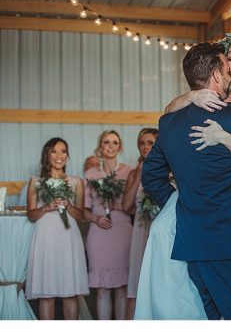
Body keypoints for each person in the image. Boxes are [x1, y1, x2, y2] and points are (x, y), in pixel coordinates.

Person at [135, 31, 231, 319]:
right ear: (220, 70)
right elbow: (168, 113)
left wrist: (224, 138)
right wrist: (191, 95)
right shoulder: (216, 99)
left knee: (221, 300)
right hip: (216, 209)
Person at [25, 138, 88, 320]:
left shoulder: (76, 182)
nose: (59, 156)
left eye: (63, 151)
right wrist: (46, 207)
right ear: (47, 154)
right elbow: (31, 215)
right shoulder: (36, 181)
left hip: (68, 237)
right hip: (45, 235)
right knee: (47, 293)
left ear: (68, 156)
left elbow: (81, 216)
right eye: (54, 151)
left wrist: (68, 206)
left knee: (69, 292)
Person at [83, 130, 133, 320]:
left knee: (121, 287)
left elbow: (137, 206)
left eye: (114, 142)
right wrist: (95, 219)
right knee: (102, 288)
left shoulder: (129, 172)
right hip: (98, 231)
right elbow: (83, 210)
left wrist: (117, 205)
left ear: (120, 147)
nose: (110, 146)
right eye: (106, 142)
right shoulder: (90, 173)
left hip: (121, 231)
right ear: (100, 147)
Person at [123, 128, 158, 319]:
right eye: (142, 143)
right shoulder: (133, 173)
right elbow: (126, 206)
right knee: (137, 284)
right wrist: (137, 175)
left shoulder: (168, 169)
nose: (145, 147)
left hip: (158, 229)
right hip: (140, 230)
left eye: (150, 143)